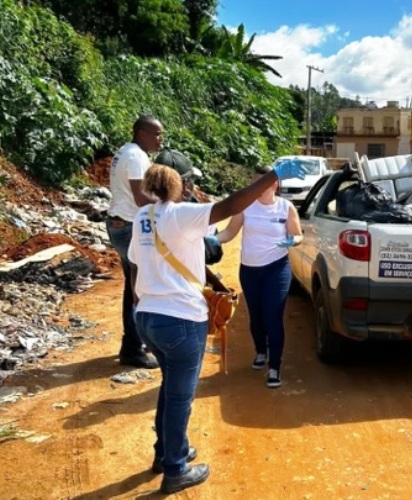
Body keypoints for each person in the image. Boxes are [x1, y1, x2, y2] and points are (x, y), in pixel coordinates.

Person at [128, 160, 306, 494]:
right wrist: (272, 176)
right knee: (180, 397)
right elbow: (229, 207)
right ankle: (176, 470)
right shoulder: (182, 213)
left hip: (148, 317)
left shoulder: (143, 217)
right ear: (180, 182)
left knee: (169, 390)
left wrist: (141, 302)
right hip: (180, 319)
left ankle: (166, 452)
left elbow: (135, 264)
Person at [216, 165, 303, 389]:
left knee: (273, 315)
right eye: (253, 182)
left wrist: (291, 241)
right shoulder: (245, 207)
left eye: (261, 182)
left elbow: (297, 235)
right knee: (256, 316)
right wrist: (212, 239)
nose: (255, 187)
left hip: (277, 268)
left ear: (274, 184)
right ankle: (260, 351)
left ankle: (274, 367)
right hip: (250, 270)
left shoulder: (286, 207)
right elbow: (229, 232)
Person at [106, 115, 164, 369]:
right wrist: (170, 204)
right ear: (142, 134)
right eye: (157, 134)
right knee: (140, 289)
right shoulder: (135, 157)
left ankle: (136, 342)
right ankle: (132, 349)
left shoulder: (128, 152)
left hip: (121, 224)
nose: (160, 139)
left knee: (134, 288)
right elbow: (141, 198)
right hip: (129, 228)